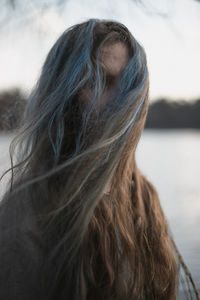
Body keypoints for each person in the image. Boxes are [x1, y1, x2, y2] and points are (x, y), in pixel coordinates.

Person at [0, 19, 199, 300]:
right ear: (64, 92)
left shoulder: (143, 195)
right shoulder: (28, 211)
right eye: (100, 81)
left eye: (127, 86)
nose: (119, 101)